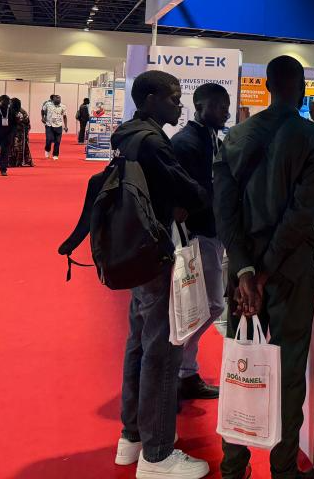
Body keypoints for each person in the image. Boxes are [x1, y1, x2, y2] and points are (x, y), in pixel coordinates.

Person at [215, 55, 314, 479]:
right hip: (291, 270)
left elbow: (224, 210)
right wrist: (262, 273)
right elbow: (302, 213)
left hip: (243, 274)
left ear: (266, 86)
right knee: (289, 370)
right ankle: (283, 469)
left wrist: (246, 271)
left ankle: (234, 466)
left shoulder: (236, 135)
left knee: (240, 364)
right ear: (301, 89)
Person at [112, 71, 212, 478]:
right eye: (173, 97)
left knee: (139, 344)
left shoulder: (127, 135)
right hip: (157, 254)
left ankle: (133, 437)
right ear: (150, 98)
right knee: (163, 351)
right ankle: (157, 454)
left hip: (137, 253)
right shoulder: (154, 143)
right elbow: (193, 192)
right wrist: (189, 198)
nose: (179, 104)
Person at [170, 83, 231, 402]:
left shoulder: (212, 139)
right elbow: (187, 192)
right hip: (196, 235)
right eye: (220, 106)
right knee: (209, 305)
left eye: (226, 106)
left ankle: (185, 371)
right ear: (200, 106)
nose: (225, 112)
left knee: (204, 305)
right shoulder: (186, 143)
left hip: (212, 230)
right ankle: (177, 367)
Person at [44, 93, 69, 160]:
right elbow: (43, 111)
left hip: (58, 126)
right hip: (49, 125)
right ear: (53, 100)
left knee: (58, 141)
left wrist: (66, 126)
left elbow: (64, 116)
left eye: (59, 100)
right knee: (49, 139)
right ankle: (47, 150)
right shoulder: (48, 104)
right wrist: (43, 118)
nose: (58, 101)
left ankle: (55, 154)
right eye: (56, 99)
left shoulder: (63, 106)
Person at [10, 98, 32, 168]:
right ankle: (11, 162)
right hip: (11, 132)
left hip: (20, 133)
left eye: (11, 103)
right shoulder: (9, 110)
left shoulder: (22, 112)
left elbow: (27, 123)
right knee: (11, 147)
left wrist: (24, 131)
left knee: (19, 147)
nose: (10, 104)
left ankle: (19, 162)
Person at [0, 94, 12, 176]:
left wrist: (11, 134)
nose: (9, 102)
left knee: (4, 152)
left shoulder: (10, 111)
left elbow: (14, 123)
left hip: (6, 135)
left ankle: (3, 169)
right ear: (2, 101)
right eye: (7, 100)